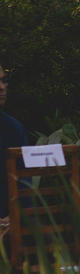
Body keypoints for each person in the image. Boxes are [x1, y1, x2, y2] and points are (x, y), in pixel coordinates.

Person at [0, 61, 29, 220]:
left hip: (13, 217)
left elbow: (24, 179)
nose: (2, 87)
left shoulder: (14, 128)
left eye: (3, 81)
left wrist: (15, 216)